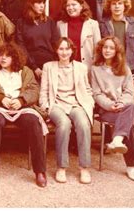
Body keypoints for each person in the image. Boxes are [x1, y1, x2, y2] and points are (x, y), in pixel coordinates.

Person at [0, 42, 47, 187]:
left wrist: (21, 100)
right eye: (0, 55)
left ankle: (40, 171)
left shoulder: (25, 72)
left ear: (15, 58)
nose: (2, 59)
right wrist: (0, 98)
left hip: (21, 107)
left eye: (7, 56)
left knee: (33, 122)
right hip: (0, 106)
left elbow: (34, 90)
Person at [39, 37, 94, 184]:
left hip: (76, 104)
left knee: (83, 124)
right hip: (56, 105)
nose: (64, 52)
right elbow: (43, 91)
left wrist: (89, 103)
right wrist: (46, 106)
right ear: (56, 51)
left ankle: (84, 168)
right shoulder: (48, 67)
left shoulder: (81, 67)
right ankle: (61, 167)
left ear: (72, 50)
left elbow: (88, 89)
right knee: (64, 124)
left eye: (67, 49)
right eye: (61, 49)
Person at [90, 36, 134, 182]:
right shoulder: (95, 69)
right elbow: (96, 93)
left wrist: (121, 104)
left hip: (124, 108)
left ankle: (117, 139)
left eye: (111, 48)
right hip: (106, 111)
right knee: (128, 125)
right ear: (101, 49)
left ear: (117, 51)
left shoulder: (125, 69)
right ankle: (132, 166)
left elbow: (129, 92)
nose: (107, 50)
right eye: (105, 47)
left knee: (131, 107)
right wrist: (109, 105)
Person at [100, 0, 134, 82]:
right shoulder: (102, 25)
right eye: (114, 4)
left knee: (127, 95)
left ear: (125, 6)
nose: (117, 6)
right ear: (109, 6)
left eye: (120, 3)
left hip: (128, 69)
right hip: (107, 68)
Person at [16, 0, 60, 79]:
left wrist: (54, 65)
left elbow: (56, 44)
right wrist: (34, 67)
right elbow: (21, 47)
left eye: (43, 2)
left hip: (50, 64)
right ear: (30, 4)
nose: (42, 6)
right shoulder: (21, 23)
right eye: (38, 3)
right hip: (30, 65)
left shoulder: (49, 21)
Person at [57, 0, 101, 69]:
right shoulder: (60, 25)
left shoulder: (93, 24)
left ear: (81, 6)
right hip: (66, 67)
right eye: (68, 5)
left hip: (87, 67)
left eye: (73, 5)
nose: (70, 8)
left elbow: (98, 48)